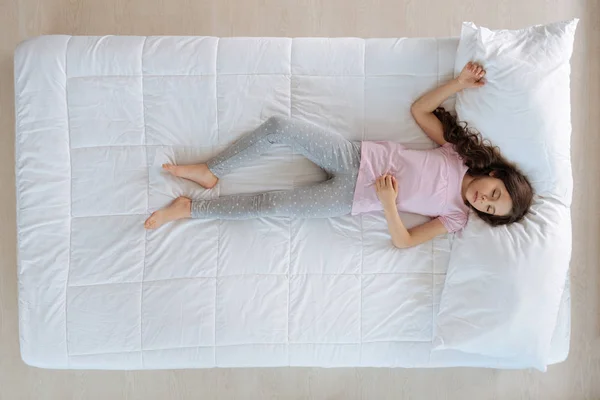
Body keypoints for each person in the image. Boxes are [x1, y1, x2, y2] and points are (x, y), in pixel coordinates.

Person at [144, 62, 533, 248]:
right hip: (352, 157)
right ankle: (211, 171)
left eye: (490, 210)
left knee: (272, 203)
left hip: (352, 198)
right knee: (280, 126)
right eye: (494, 194)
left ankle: (189, 209)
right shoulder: (457, 155)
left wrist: (389, 204)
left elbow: (404, 241)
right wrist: (459, 83)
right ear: (495, 174)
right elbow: (420, 111)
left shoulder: (456, 217)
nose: (484, 201)